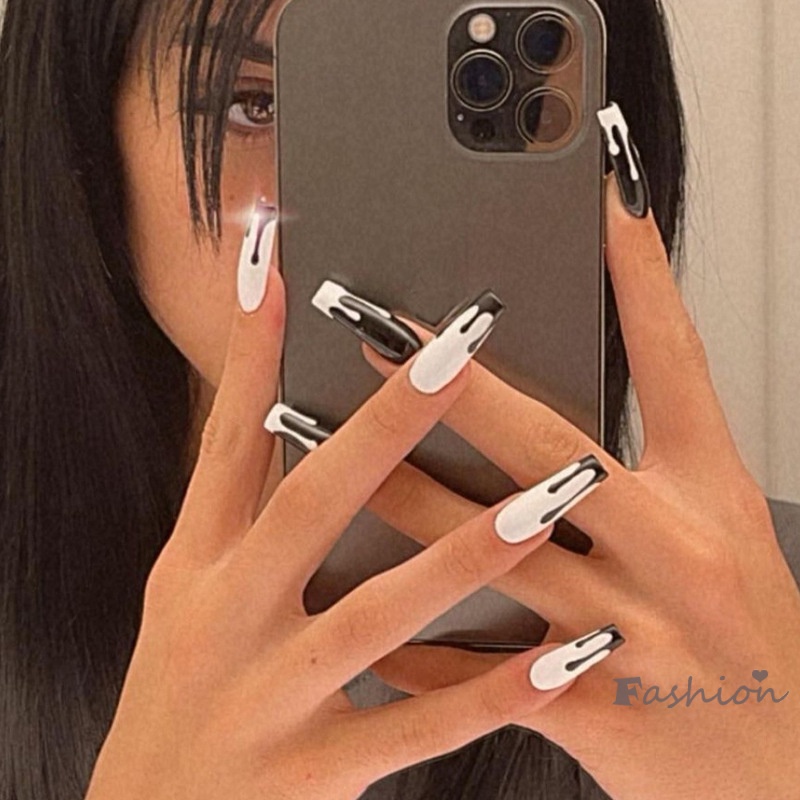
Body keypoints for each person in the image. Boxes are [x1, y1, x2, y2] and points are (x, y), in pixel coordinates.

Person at [1, 0, 798, 798]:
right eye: (255, 104)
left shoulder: (771, 615)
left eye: (500, 101)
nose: (365, 198)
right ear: (82, 135)